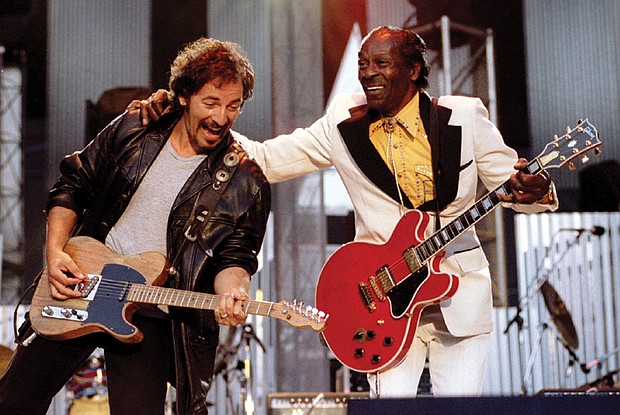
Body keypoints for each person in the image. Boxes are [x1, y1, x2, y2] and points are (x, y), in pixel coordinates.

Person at [137, 26, 557, 398]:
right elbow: (266, 158)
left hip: (457, 291)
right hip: (378, 297)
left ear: (413, 71)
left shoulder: (465, 118)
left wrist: (537, 191)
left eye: (381, 63)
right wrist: (188, 112)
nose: (368, 72)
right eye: (362, 63)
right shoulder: (343, 122)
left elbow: (519, 187)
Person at [0, 37, 271, 414]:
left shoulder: (247, 181)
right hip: (84, 281)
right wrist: (56, 250)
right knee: (14, 400)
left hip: (153, 311)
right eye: (210, 103)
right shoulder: (136, 127)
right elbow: (73, 183)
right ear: (183, 96)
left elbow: (236, 256)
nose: (221, 118)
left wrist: (234, 291)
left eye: (233, 106)